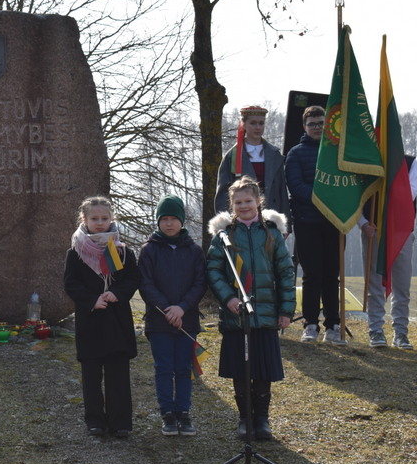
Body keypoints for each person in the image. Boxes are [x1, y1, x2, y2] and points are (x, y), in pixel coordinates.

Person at [206, 177, 295, 440]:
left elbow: (285, 272)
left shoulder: (272, 233)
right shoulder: (224, 236)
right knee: (241, 369)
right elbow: (213, 271)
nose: (244, 206)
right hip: (236, 316)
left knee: (263, 369)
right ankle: (245, 418)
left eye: (248, 201)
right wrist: (228, 299)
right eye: (238, 202)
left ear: (258, 201)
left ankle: (262, 420)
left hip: (266, 314)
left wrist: (286, 310)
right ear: (231, 205)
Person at [63, 195, 140, 439]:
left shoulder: (122, 252)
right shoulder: (75, 253)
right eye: (94, 219)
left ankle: (120, 422)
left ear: (111, 219)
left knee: (118, 375)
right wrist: (91, 300)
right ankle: (95, 421)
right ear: (84, 220)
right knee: (92, 376)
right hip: (91, 322)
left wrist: (117, 293)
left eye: (104, 218)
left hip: (117, 321)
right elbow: (71, 284)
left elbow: (132, 279)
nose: (99, 223)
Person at [138, 194, 206, 437]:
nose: (169, 223)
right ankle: (167, 414)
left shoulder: (194, 251)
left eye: (173, 218)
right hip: (159, 322)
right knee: (164, 368)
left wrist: (182, 308)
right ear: (158, 221)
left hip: (187, 320)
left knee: (184, 367)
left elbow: (200, 283)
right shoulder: (148, 250)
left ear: (182, 221)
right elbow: (145, 284)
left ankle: (183, 413)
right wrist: (167, 308)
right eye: (164, 219)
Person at [285, 105, 345, 345]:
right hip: (307, 221)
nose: (317, 127)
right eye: (312, 124)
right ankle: (310, 324)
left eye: (321, 123)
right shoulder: (296, 154)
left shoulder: (338, 152)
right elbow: (295, 185)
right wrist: (322, 197)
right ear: (305, 126)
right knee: (312, 275)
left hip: (334, 222)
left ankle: (333, 325)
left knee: (332, 275)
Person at [358, 155, 417, 349]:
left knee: (402, 285)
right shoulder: (365, 160)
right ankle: (375, 329)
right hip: (373, 230)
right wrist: (362, 223)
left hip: (401, 232)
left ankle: (401, 332)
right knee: (374, 284)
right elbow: (356, 196)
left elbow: (410, 193)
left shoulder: (410, 163)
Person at [215, 105, 291, 224]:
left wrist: (286, 224)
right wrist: (226, 224)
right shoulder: (233, 156)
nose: (258, 127)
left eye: (261, 123)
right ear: (244, 125)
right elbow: (223, 193)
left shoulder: (274, 154)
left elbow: (281, 191)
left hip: (272, 216)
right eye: (253, 123)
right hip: (242, 218)